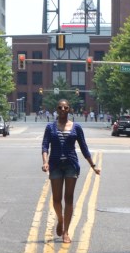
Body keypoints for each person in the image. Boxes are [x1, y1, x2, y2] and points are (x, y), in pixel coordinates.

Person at [41, 99, 101, 244]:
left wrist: (93, 165)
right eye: (60, 107)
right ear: (56, 109)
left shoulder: (76, 127)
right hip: (55, 165)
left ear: (69, 109)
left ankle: (66, 231)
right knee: (56, 199)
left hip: (71, 165)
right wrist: (45, 162)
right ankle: (60, 219)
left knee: (69, 198)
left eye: (65, 107)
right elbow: (45, 146)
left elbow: (84, 147)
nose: (63, 110)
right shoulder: (50, 127)